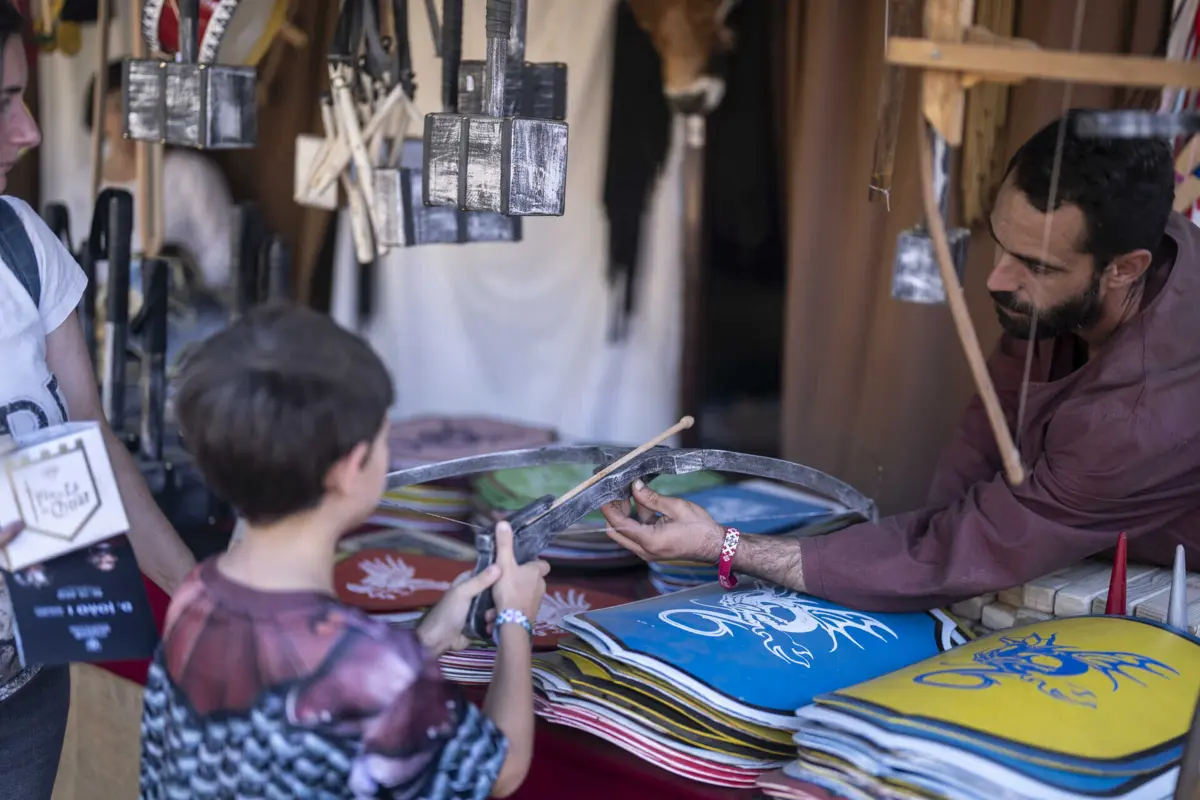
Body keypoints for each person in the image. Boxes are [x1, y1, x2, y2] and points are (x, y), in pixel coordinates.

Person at [602, 111, 1200, 612]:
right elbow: (986, 428)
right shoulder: (1103, 252)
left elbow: (967, 549)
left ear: (1126, 269)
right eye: (1001, 244)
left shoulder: (1145, 416)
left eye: (1036, 266)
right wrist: (907, 552)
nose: (996, 279)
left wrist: (724, 546)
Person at [139, 304, 545, 798]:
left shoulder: (194, 595)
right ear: (351, 467)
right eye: (383, 441)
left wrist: (425, 641)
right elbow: (500, 770)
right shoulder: (373, 665)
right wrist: (515, 619)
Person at [0, 4, 195, 798]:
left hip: (25, 686)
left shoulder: (21, 244)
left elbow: (91, 440)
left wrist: (197, 595)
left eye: (22, 97)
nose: (29, 131)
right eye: (1, 103)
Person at [75, 59, 236, 289]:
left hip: (184, 306)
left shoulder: (189, 173)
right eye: (119, 106)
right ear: (98, 118)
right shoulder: (81, 187)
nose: (133, 116)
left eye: (142, 104)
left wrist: (182, 291)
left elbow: (225, 252)